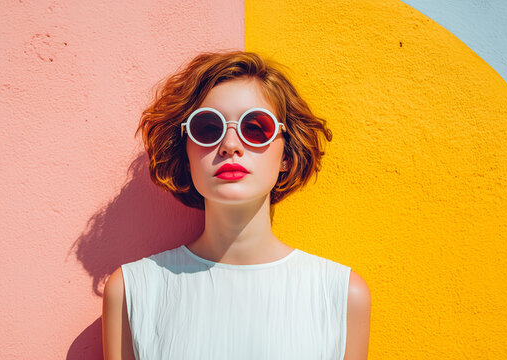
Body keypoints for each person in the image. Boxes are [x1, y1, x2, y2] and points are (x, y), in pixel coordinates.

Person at [102, 51, 371, 360]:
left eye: (256, 128)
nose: (230, 145)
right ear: (185, 152)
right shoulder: (132, 292)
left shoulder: (341, 295)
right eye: (208, 128)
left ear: (286, 155)